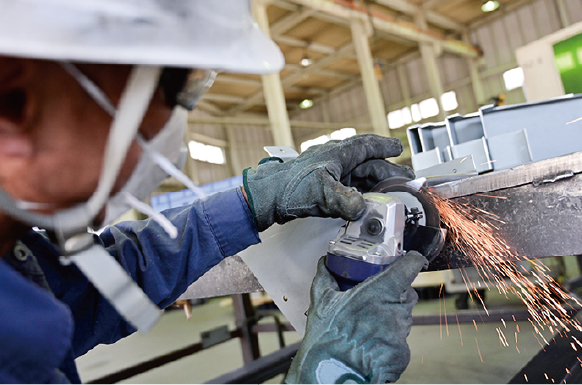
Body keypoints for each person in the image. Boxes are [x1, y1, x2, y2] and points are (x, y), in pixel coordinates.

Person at [0, 1, 427, 383]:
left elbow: (103, 282)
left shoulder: (17, 259)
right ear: (13, 101)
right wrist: (331, 374)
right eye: (173, 87)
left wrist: (254, 201)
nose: (171, 131)